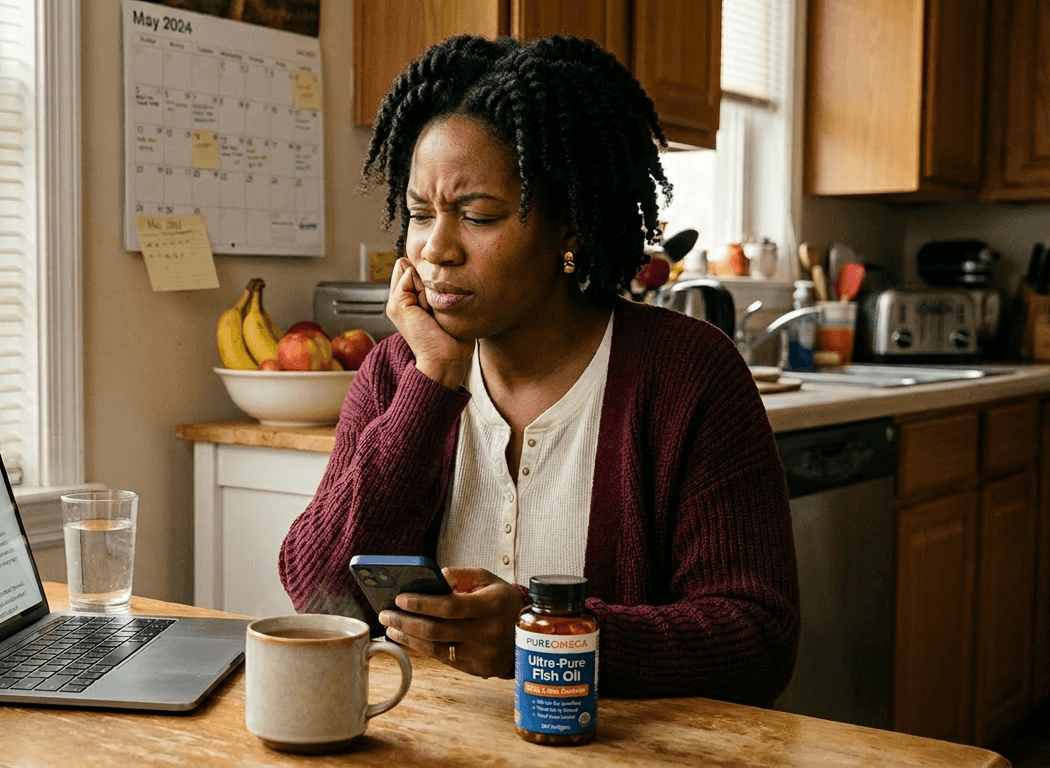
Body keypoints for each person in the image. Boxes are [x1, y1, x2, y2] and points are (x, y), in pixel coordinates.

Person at [277, 34, 798, 707]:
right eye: (419, 214)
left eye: (478, 215)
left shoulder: (688, 376)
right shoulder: (397, 371)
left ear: (569, 231)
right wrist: (429, 388)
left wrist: (545, 640)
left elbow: (758, 638)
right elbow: (319, 589)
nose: (436, 248)